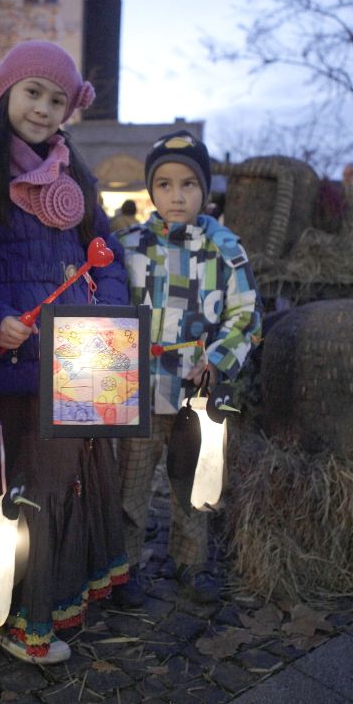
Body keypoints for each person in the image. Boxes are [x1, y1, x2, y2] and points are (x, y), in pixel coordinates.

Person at [0, 40, 130, 664]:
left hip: (80, 360)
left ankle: (61, 593)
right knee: (20, 491)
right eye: (33, 92)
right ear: (6, 92)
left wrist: (112, 309)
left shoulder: (76, 175)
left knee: (69, 484)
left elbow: (106, 252)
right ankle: (15, 618)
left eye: (57, 99)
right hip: (13, 366)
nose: (43, 108)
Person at [112, 130, 262, 607]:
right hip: (139, 393)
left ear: (205, 189)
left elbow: (246, 315)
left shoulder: (225, 250)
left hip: (197, 396)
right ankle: (124, 566)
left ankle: (191, 561)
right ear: (151, 190)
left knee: (194, 483)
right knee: (130, 485)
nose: (177, 196)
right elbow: (108, 307)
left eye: (189, 185)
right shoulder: (128, 247)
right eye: (165, 184)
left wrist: (218, 359)